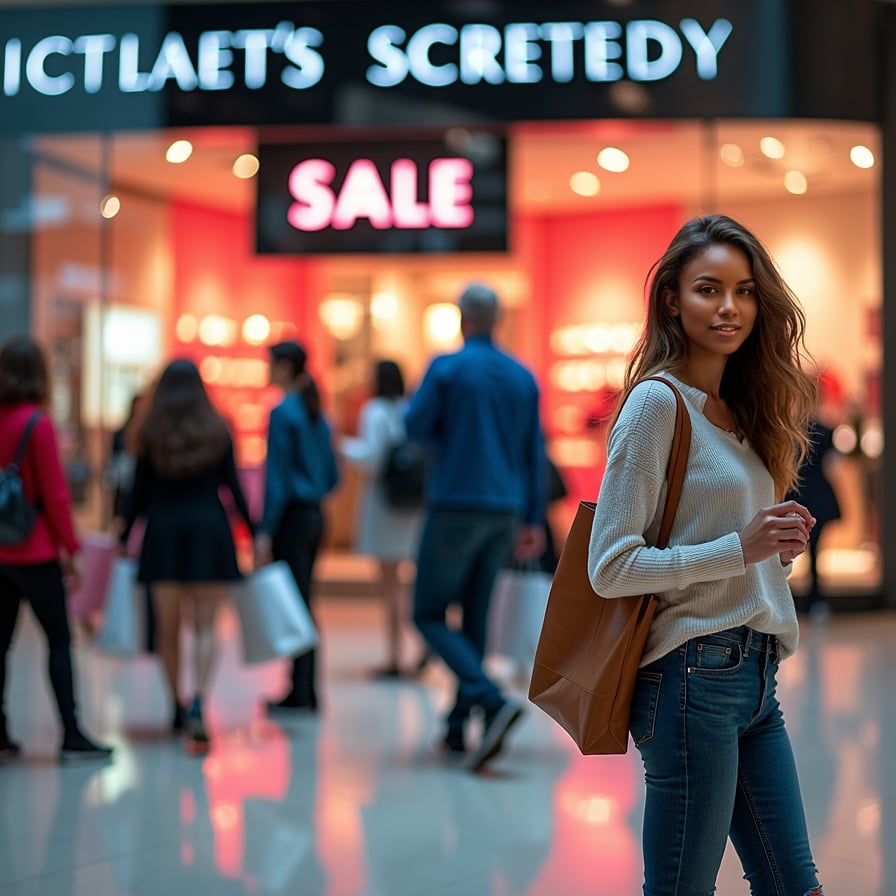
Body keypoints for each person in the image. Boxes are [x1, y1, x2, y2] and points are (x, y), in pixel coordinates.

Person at [587, 214, 823, 895]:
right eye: (708, 289)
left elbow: (718, 548)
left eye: (745, 291)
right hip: (690, 679)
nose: (729, 308)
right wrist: (737, 546)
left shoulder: (740, 409)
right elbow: (611, 566)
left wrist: (772, 552)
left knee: (792, 885)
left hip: (756, 677)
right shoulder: (656, 405)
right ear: (671, 299)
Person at [406, 282, 546, 773]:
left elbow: (415, 428)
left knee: (425, 613)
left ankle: (489, 699)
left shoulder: (446, 368)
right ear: (499, 319)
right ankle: (456, 724)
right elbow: (535, 453)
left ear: (462, 318)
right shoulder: (522, 377)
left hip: (454, 506)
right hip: (505, 511)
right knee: (476, 618)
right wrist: (532, 518)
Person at [117, 359, 255, 752]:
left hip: (163, 536)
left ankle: (176, 706)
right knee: (207, 627)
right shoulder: (218, 428)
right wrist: (255, 529)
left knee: (168, 629)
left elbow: (137, 493)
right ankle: (199, 700)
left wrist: (124, 532)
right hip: (210, 533)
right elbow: (233, 486)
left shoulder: (149, 432)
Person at [0, 334, 113, 762]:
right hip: (35, 551)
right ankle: (71, 731)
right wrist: (72, 549)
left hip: (1, 553)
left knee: (1, 644)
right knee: (59, 641)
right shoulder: (37, 423)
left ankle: (1, 731)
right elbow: (55, 494)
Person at [254, 341, 340, 715]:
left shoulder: (282, 413)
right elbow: (334, 475)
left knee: (296, 602)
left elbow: (276, 479)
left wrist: (265, 528)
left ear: (285, 367)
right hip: (315, 514)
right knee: (305, 599)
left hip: (291, 516)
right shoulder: (318, 413)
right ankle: (304, 686)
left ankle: (300, 690)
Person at [339, 359, 425, 678]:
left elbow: (370, 458)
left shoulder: (374, 411)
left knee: (389, 584)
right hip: (411, 505)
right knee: (407, 582)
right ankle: (417, 648)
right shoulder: (409, 409)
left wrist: (341, 446)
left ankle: (394, 654)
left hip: (383, 503)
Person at [787, 414, 841, 620]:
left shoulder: (790, 428)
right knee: (815, 550)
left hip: (797, 490)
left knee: (787, 548)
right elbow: (833, 462)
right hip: (817, 493)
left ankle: (801, 597)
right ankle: (815, 597)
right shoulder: (825, 429)